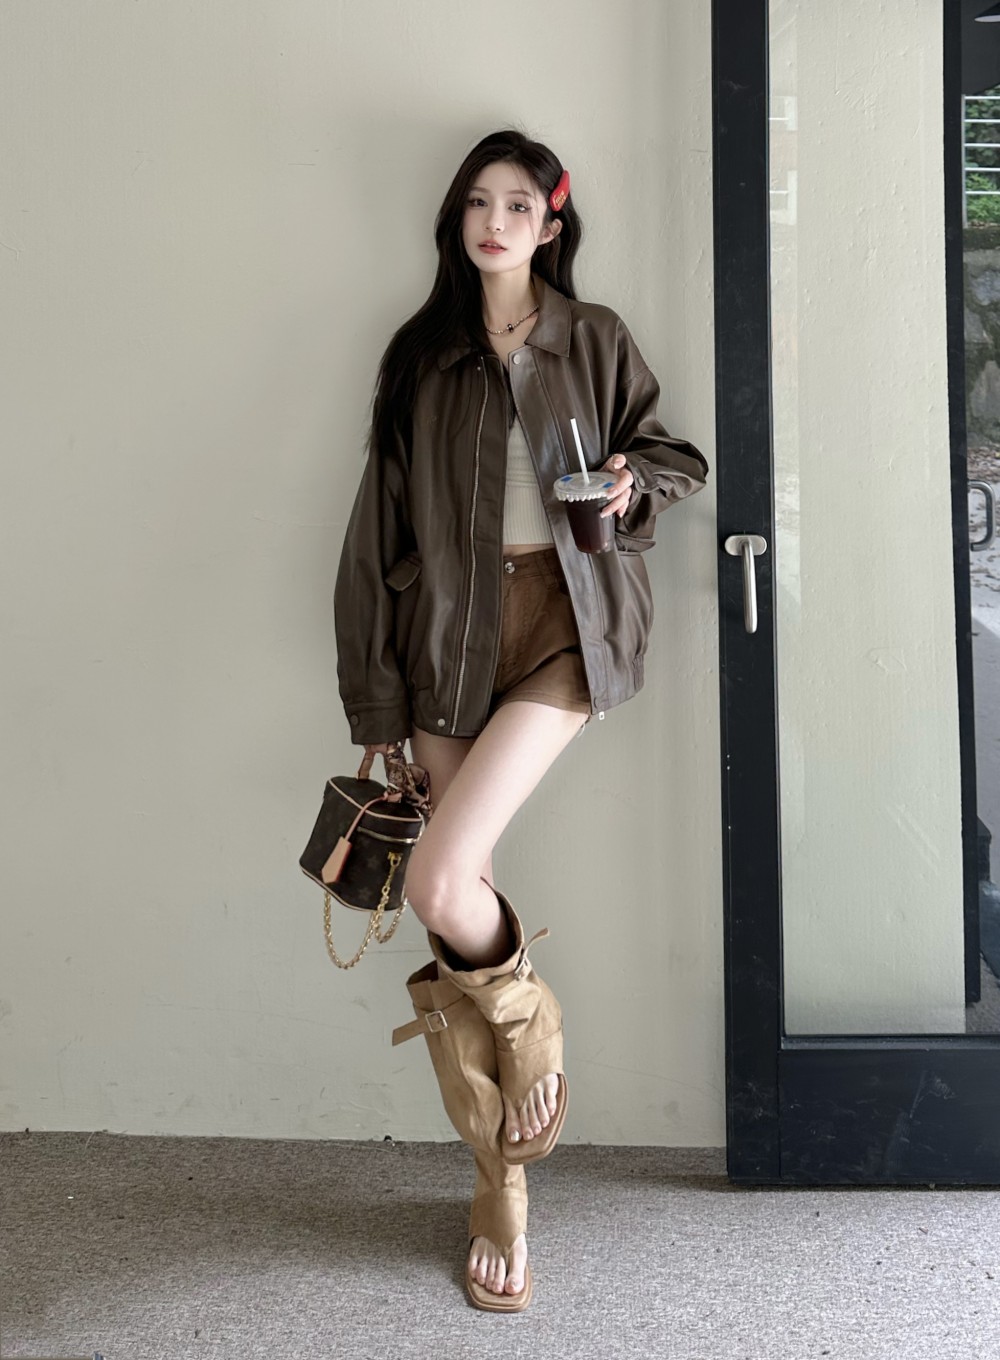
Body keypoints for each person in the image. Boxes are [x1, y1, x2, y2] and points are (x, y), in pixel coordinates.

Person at [334, 128, 708, 1312]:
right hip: (444, 636)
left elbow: (675, 455)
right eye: (476, 203)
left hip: (564, 625)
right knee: (454, 901)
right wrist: (374, 700)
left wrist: (631, 482)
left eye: (516, 205)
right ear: (456, 220)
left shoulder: (591, 337)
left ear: (551, 224)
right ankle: (501, 1180)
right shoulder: (419, 356)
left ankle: (530, 1039)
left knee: (442, 878)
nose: (493, 222)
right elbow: (375, 529)